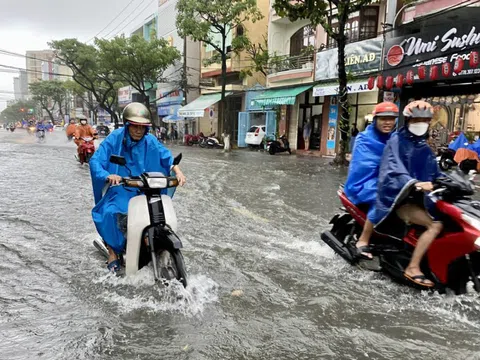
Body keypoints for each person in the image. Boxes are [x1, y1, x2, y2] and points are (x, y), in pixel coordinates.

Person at [89, 102, 186, 272]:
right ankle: (112, 251)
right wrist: (108, 175)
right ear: (127, 124)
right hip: (122, 186)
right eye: (135, 126)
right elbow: (96, 160)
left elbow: (166, 157)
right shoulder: (115, 138)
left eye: (142, 127)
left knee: (158, 213)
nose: (138, 130)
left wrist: (177, 171)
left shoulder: (151, 140)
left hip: (146, 187)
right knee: (111, 211)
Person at [371, 100, 443, 288]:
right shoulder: (396, 141)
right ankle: (412, 267)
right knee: (435, 225)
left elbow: (435, 171)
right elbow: (393, 168)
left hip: (421, 200)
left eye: (425, 120)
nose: (421, 123)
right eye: (417, 119)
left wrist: (448, 180)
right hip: (400, 199)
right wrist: (414, 183)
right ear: (408, 120)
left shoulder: (424, 146)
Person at [344, 102, 398, 260]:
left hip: (391, 180)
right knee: (382, 197)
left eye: (391, 119)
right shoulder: (364, 139)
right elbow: (363, 166)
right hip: (364, 183)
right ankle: (363, 240)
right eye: (383, 119)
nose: (387, 122)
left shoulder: (396, 138)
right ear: (375, 120)